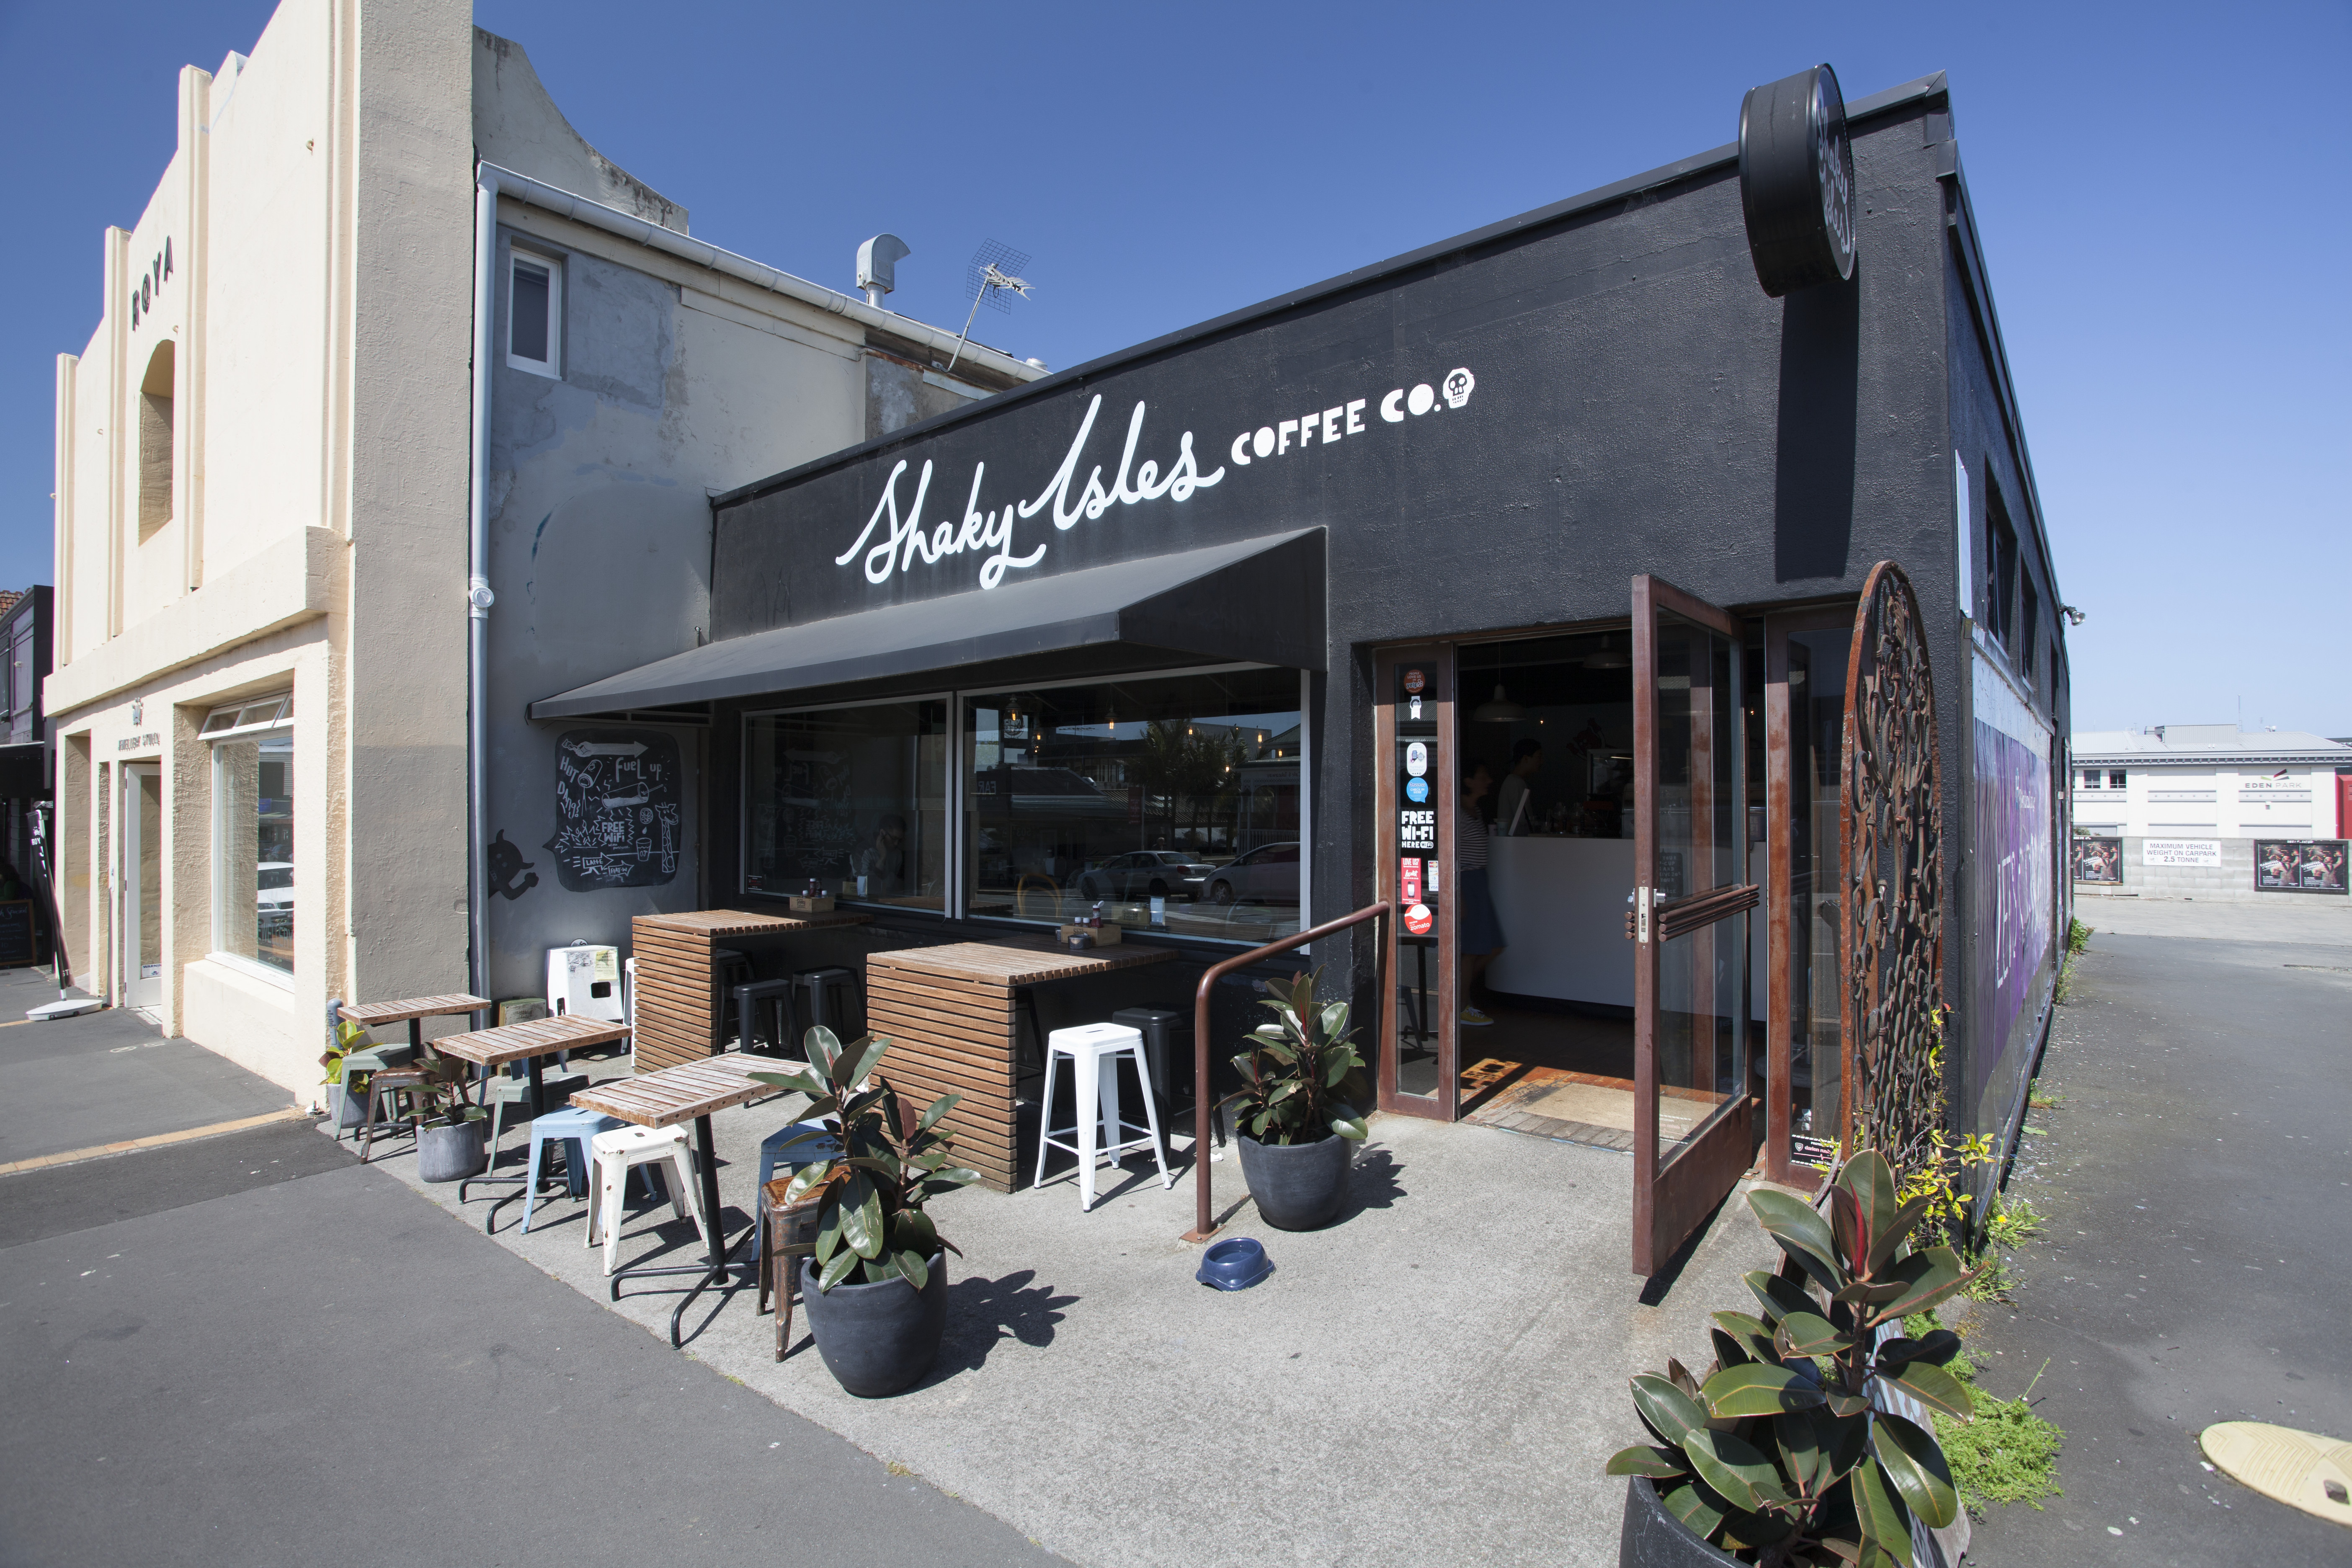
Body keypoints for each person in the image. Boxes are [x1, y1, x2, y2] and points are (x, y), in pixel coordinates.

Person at [1457, 760, 1506, 1026]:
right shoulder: (1457, 813)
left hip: (1478, 882)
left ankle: (1456, 993)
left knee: (1493, 946)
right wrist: (1459, 896)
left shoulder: (1474, 810)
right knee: (1471, 950)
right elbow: (1446, 855)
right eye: (1483, 776)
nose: (1488, 781)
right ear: (1468, 781)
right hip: (1466, 883)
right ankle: (1461, 1006)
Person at [1496, 738, 1542, 836]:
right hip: (1518, 841)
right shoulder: (1516, 783)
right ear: (1526, 758)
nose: (1541, 762)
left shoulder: (1514, 781)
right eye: (1539, 757)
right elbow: (1523, 822)